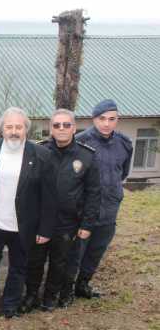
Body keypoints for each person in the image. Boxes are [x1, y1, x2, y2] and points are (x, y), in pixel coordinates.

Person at [0, 107, 55, 322]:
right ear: (1, 129)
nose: (14, 131)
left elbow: (49, 196)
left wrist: (45, 229)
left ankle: (10, 306)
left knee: (18, 267)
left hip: (24, 225)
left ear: (26, 129)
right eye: (9, 127)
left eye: (19, 127)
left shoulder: (42, 155)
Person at [20, 109, 101, 312]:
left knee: (60, 263)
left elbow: (93, 193)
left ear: (74, 128)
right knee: (35, 261)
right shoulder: (39, 152)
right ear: (51, 129)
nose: (62, 129)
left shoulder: (87, 156)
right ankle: (31, 297)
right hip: (40, 221)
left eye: (66, 125)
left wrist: (87, 224)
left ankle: (50, 297)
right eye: (57, 125)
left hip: (69, 221)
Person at [65, 99, 133, 300]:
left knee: (96, 250)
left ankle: (83, 284)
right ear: (94, 119)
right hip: (84, 209)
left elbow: (123, 173)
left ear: (117, 120)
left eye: (112, 119)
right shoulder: (80, 141)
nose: (106, 123)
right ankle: (66, 289)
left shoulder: (124, 143)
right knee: (76, 251)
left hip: (110, 207)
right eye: (102, 119)